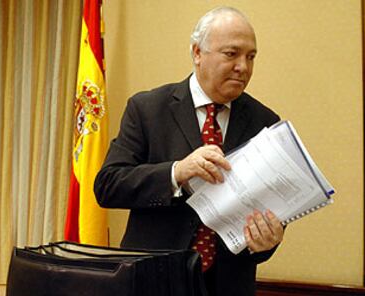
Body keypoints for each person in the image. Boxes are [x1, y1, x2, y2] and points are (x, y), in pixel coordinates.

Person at [94, 6, 284, 296]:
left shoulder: (265, 123)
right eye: (231, 54)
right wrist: (176, 173)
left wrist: (268, 241)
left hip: (228, 285)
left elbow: (271, 209)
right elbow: (108, 185)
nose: (243, 67)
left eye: (251, 57)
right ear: (197, 53)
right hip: (153, 282)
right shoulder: (147, 109)